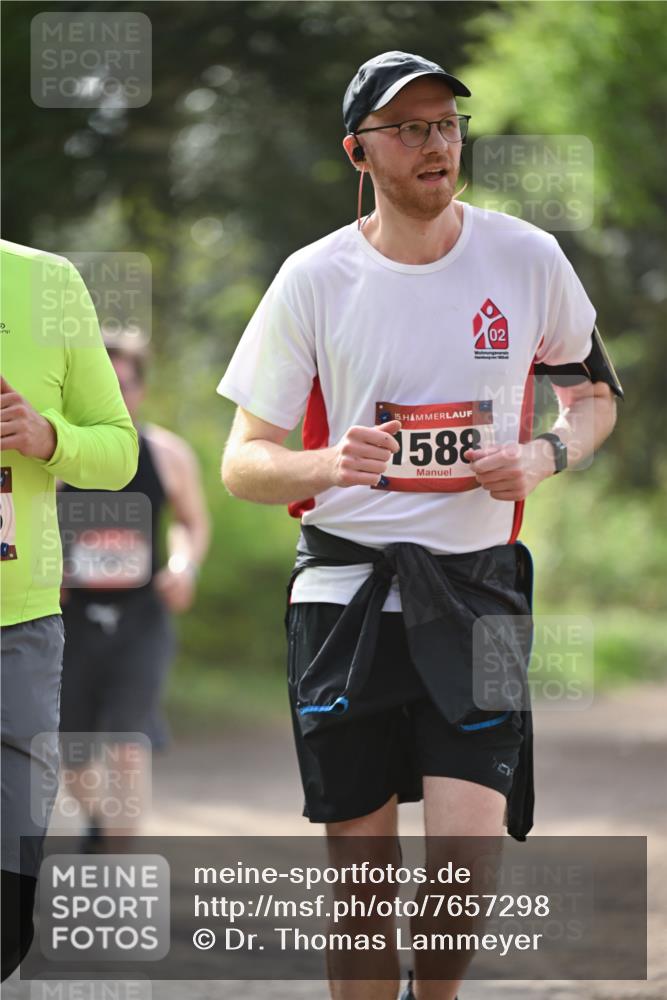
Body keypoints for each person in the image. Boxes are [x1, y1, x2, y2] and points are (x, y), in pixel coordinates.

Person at [217, 51, 623, 1000]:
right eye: (408, 129)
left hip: (476, 586)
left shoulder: (526, 257)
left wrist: (545, 454)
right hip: (345, 591)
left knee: (463, 869)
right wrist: (324, 465)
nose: (435, 144)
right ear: (357, 150)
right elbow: (242, 460)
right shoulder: (312, 279)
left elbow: (594, 397)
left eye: (446, 125)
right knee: (361, 886)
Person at [0, 240, 139, 981]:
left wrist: (47, 437)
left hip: (16, 629)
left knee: (7, 902)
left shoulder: (45, 281)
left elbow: (117, 451)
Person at [58, 330, 211, 852]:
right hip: (70, 622)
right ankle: (102, 824)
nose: (114, 396)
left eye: (124, 385)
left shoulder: (167, 454)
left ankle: (119, 868)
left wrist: (183, 567)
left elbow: (190, 522)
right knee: (72, 757)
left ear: (140, 390)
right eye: (103, 386)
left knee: (127, 747)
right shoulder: (57, 455)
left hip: (142, 619)